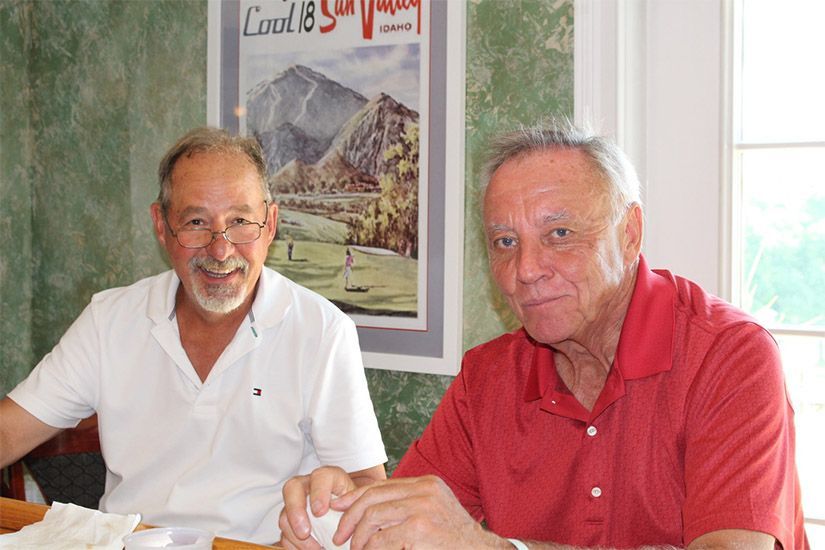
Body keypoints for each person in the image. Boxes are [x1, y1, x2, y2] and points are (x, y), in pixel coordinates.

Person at [279, 119, 809, 549]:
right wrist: (340, 520)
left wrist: (492, 549)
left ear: (629, 234)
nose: (527, 269)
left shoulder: (730, 356)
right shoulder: (487, 377)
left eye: (559, 233)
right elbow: (410, 531)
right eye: (505, 242)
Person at [0, 127, 387, 545]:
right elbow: (8, 431)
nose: (220, 250)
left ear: (270, 224)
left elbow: (365, 486)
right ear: (161, 225)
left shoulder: (322, 331)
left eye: (240, 222)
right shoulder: (109, 320)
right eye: (196, 222)